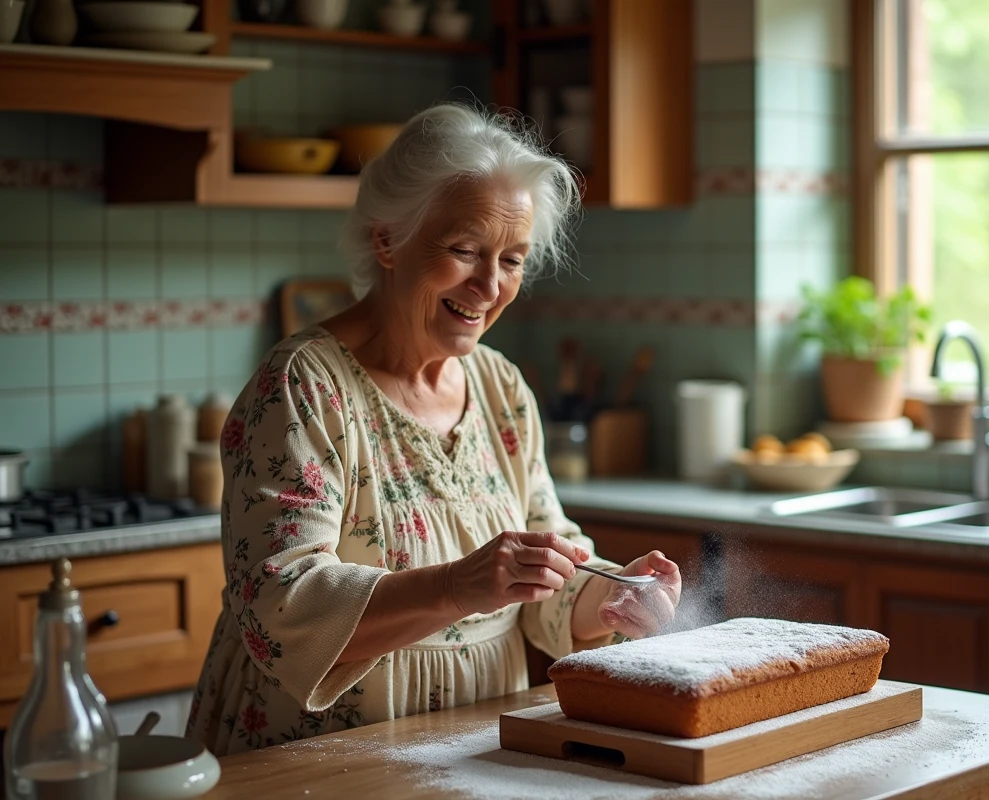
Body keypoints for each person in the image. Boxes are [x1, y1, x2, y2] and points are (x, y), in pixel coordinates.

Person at [185, 104, 682, 756]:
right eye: (466, 251)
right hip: (320, 754)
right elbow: (282, 609)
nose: (489, 285)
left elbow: (545, 568)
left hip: (470, 748)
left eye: (512, 259)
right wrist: (456, 586)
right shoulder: (304, 387)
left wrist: (611, 598)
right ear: (387, 239)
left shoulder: (500, 387)